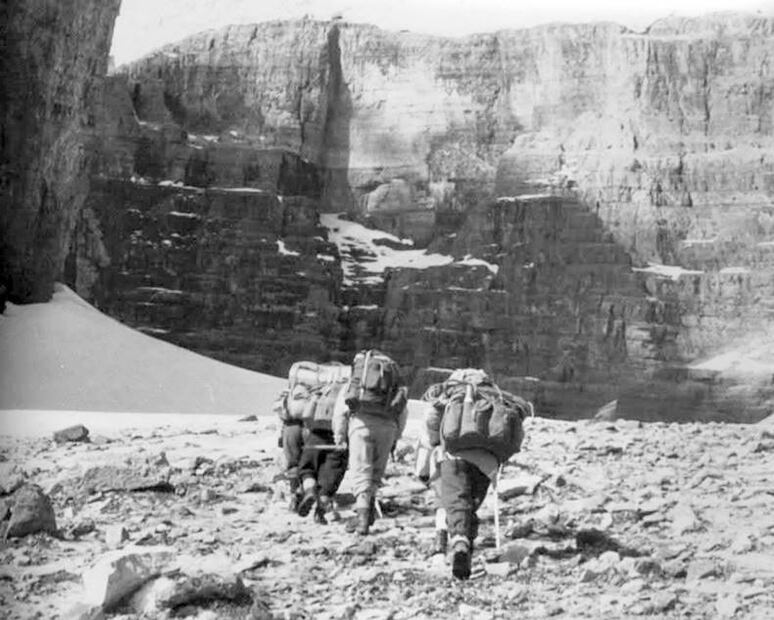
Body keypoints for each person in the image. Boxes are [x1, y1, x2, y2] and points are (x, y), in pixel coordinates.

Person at [422, 369, 527, 579]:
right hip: (488, 460)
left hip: (454, 454)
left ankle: (456, 545)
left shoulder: (451, 393)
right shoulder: (497, 396)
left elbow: (431, 422)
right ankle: (460, 550)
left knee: (453, 502)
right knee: (467, 505)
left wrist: (435, 446)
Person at [333, 349, 408, 536]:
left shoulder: (356, 384)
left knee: (361, 472)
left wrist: (339, 437)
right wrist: (396, 437)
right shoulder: (392, 384)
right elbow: (403, 412)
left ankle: (362, 520)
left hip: (360, 425)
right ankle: (369, 513)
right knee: (375, 472)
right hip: (388, 428)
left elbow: (340, 412)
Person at [295, 378, 350, 524]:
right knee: (329, 479)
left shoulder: (324, 390)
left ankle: (309, 491)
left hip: (316, 435)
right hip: (338, 439)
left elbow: (306, 415)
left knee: (307, 470)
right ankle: (321, 512)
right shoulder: (350, 390)